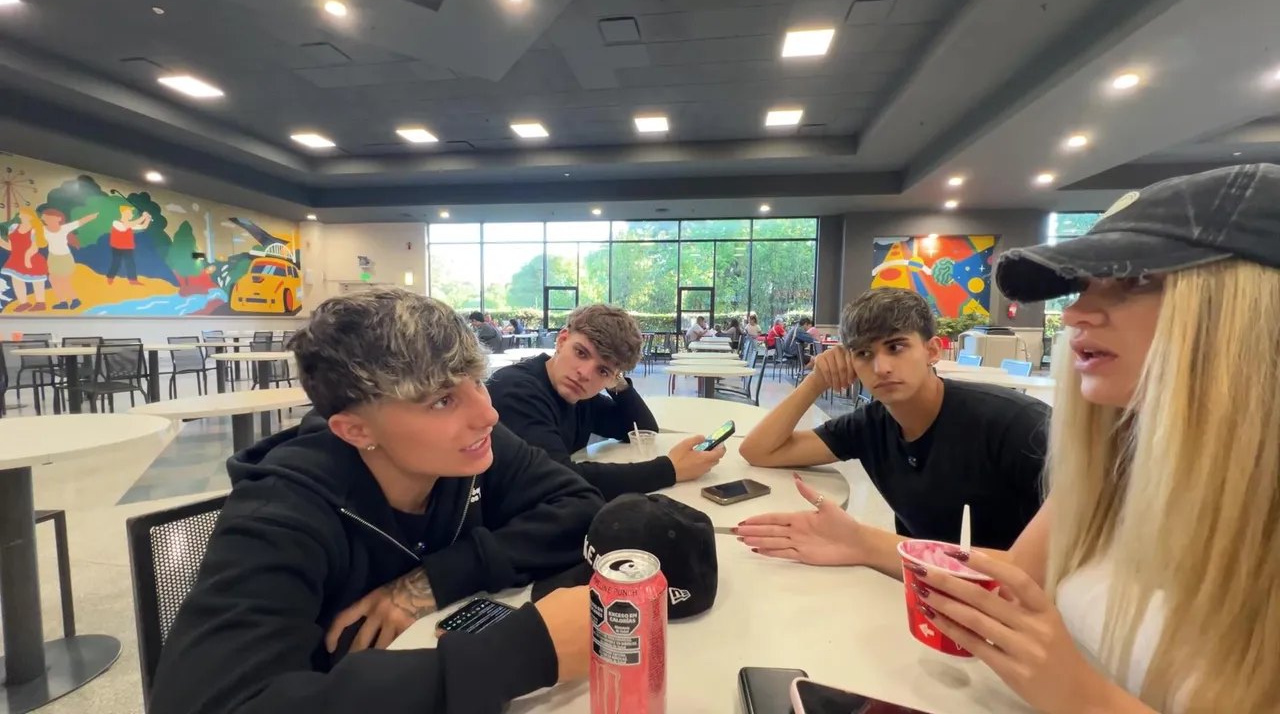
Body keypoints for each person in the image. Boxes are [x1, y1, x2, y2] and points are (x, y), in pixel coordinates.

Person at [911, 164, 1280, 714]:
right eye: (1083, 284)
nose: (1075, 313)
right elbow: (1006, 584)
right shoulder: (1115, 470)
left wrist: (1085, 698)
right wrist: (857, 543)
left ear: (1247, 307)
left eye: (1137, 280)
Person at [147, 290, 604, 714]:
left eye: (477, 382)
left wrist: (435, 580)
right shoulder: (278, 515)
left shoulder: (476, 447)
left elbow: (580, 507)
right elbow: (214, 703)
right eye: (442, 401)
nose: (488, 413)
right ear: (356, 430)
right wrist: (520, 655)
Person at [735, 288, 1048, 578]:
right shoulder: (871, 424)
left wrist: (861, 542)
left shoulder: (1019, 426)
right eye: (863, 354)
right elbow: (759, 451)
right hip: (919, 590)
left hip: (1013, 609)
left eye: (896, 347)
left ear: (932, 350)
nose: (881, 367)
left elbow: (1047, 570)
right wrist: (817, 380)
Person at [488, 303, 725, 500]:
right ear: (562, 340)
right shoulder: (516, 390)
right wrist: (670, 469)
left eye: (602, 370)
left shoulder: (580, 395)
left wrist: (616, 381)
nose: (584, 373)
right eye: (581, 353)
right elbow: (558, 478)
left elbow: (641, 428)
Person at [40, 208, 97, 310]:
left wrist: (95, 214)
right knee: (53, 280)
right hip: (53, 257)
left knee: (63, 281)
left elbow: (81, 221)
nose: (47, 220)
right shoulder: (43, 229)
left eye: (49, 217)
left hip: (65, 258)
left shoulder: (64, 228)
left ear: (58, 219)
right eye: (46, 218)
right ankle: (63, 301)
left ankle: (74, 299)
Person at [0, 208, 49, 312]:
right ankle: (23, 303)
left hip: (32, 259)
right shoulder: (13, 227)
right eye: (20, 214)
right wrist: (0, 241)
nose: (20, 216)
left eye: (23, 214)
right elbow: (11, 247)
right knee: (16, 280)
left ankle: (40, 303)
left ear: (30, 216)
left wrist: (27, 258)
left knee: (37, 280)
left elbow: (35, 247)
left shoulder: (36, 229)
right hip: (16, 259)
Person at [106, 204, 149, 286]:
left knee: (130, 263)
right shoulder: (116, 223)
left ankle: (133, 280)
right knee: (116, 263)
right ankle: (110, 277)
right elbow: (127, 225)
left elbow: (143, 226)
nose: (132, 215)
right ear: (124, 213)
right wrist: (143, 217)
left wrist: (147, 218)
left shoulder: (130, 224)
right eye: (130, 213)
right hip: (117, 247)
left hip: (127, 248)